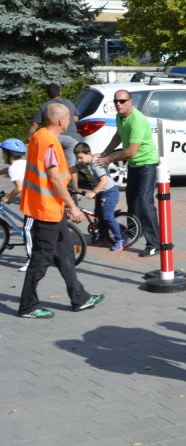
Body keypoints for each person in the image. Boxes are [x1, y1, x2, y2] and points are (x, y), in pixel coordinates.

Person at [18, 103, 103, 319]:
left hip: (51, 209)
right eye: (69, 118)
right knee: (41, 259)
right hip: (45, 210)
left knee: (66, 254)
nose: (71, 121)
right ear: (61, 120)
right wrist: (72, 205)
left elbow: (55, 175)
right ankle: (27, 306)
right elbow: (54, 178)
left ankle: (79, 298)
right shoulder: (49, 142)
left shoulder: (40, 136)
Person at [96, 90, 160, 257]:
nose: (118, 104)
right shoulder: (120, 117)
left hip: (147, 163)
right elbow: (118, 135)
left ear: (130, 102)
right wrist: (105, 152)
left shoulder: (137, 120)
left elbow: (131, 151)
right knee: (132, 201)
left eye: (122, 101)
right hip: (134, 164)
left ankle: (155, 243)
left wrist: (109, 159)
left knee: (145, 202)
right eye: (116, 101)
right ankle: (134, 233)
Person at [72, 142, 125, 251]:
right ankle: (103, 237)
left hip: (109, 192)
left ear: (89, 154)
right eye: (77, 158)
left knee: (107, 216)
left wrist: (94, 192)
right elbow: (71, 170)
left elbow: (104, 181)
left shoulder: (96, 164)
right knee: (99, 215)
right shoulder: (84, 163)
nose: (79, 160)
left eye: (81, 157)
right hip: (101, 192)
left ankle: (121, 239)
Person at [27, 83, 80, 170]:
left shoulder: (45, 106)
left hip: (54, 138)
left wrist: (29, 138)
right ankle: (72, 179)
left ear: (48, 95)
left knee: (55, 164)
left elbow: (34, 124)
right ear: (60, 92)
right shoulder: (68, 102)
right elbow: (76, 118)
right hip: (72, 137)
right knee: (71, 166)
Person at [1, 138, 32, 271]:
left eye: (3, 153)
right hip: (36, 198)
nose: (2, 155)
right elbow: (7, 170)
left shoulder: (13, 168)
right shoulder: (24, 163)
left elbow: (19, 188)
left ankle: (31, 260)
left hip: (32, 203)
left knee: (27, 229)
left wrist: (7, 197)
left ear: (9, 155)